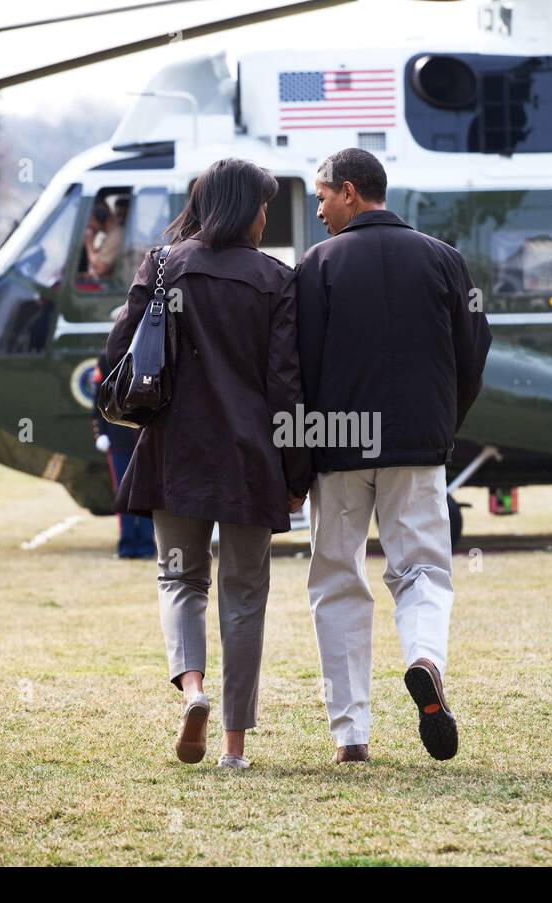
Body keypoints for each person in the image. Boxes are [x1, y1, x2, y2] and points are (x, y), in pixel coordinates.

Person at [101, 159, 312, 770]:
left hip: (174, 456)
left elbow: (120, 353)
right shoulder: (277, 279)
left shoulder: (163, 264)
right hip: (252, 460)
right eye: (264, 206)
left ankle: (192, 691)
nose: (266, 216)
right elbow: (287, 386)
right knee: (245, 596)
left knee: (180, 580)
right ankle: (233, 748)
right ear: (248, 208)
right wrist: (295, 474)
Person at [296, 148, 492, 764]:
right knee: (424, 571)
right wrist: (441, 425)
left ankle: (350, 735)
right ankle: (424, 660)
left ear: (350, 192)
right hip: (418, 442)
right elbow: (473, 352)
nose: (319, 208)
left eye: (323, 195)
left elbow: (299, 365)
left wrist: (302, 447)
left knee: (337, 582)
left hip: (337, 445)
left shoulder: (317, 264)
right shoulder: (445, 260)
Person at [91, 353, 156, 559]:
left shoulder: (151, 353)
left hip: (145, 435)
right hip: (118, 437)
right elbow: (98, 398)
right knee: (122, 492)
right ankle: (127, 543)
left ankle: (146, 543)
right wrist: (100, 432)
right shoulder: (106, 358)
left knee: (146, 490)